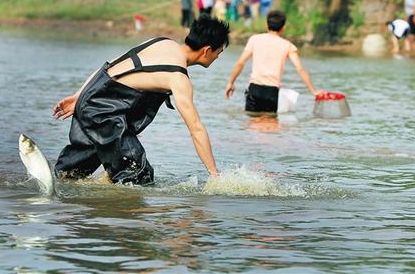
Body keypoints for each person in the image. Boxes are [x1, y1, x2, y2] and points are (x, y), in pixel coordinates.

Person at [52, 15, 230, 184]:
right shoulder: (178, 77)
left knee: (74, 172)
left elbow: (111, 65)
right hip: (104, 113)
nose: (217, 57)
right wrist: (214, 174)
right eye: (218, 52)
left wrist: (80, 95)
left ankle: (59, 189)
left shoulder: (162, 42)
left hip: (94, 99)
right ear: (207, 50)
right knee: (137, 173)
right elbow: (196, 129)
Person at [225, 10, 321, 114]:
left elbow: (240, 63)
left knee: (252, 125)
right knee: (270, 125)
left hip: (254, 88)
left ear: (266, 25)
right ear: (283, 28)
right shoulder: (288, 46)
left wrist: (231, 83)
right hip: (272, 91)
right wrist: (313, 91)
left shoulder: (254, 39)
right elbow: (300, 69)